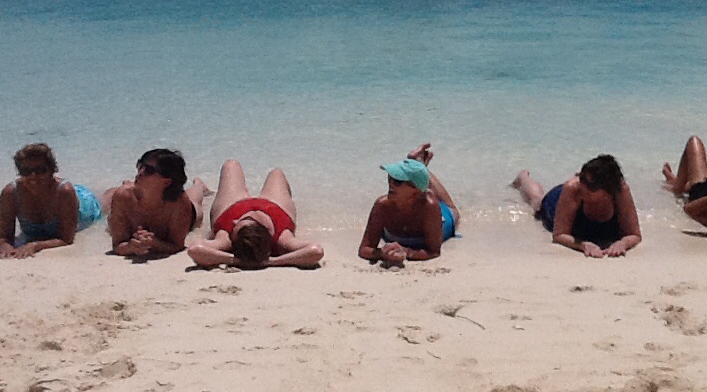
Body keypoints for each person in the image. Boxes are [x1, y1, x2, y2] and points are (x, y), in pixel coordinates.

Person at [187, 160, 324, 269]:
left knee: (230, 165)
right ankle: (203, 188)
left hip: (231, 208)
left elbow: (195, 249)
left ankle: (201, 187)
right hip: (276, 210)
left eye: (237, 226)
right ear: (266, 229)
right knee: (276, 173)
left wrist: (234, 260)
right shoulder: (283, 238)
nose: (234, 222)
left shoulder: (225, 238)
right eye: (245, 220)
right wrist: (273, 261)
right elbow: (316, 250)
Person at [512, 154, 642, 258]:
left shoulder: (620, 191)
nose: (583, 187)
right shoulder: (574, 187)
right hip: (560, 201)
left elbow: (634, 234)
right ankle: (523, 179)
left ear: (608, 191)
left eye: (591, 186)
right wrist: (583, 245)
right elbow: (559, 234)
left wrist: (622, 244)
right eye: (582, 178)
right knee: (537, 203)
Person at [358, 143, 460, 267]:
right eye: (390, 177)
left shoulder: (429, 207)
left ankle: (420, 167)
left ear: (416, 190)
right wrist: (382, 253)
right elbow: (364, 249)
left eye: (398, 181)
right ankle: (417, 166)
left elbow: (433, 252)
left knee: (453, 210)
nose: (391, 183)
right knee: (420, 181)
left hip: (439, 223)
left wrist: (406, 252)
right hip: (420, 195)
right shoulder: (382, 205)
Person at [1, 143, 103, 258]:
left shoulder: (64, 192)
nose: (33, 176)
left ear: (51, 170)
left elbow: (67, 239)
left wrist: (35, 246)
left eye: (40, 170)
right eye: (26, 171)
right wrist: (5, 246)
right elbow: (4, 236)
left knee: (104, 204)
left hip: (84, 206)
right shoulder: (11, 193)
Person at [106, 148, 207, 257]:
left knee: (195, 201)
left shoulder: (179, 202)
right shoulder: (123, 196)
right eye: (141, 165)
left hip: (188, 215)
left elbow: (177, 245)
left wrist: (154, 244)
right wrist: (131, 247)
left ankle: (199, 185)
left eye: (149, 170)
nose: (140, 172)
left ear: (167, 181)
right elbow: (117, 245)